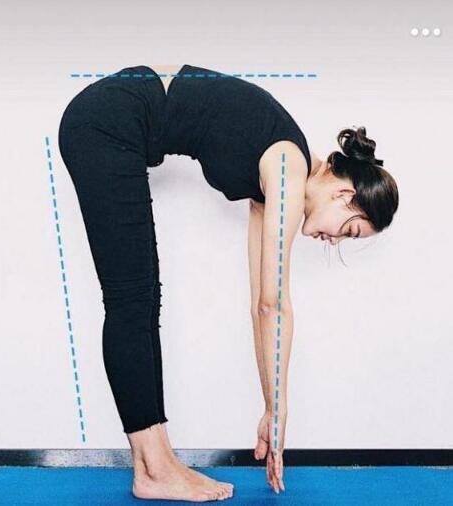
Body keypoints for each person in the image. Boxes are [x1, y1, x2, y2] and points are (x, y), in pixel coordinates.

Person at [58, 63, 399, 502]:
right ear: (344, 195)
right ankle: (154, 469)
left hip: (112, 123)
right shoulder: (287, 165)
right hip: (106, 122)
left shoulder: (274, 178)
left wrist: (270, 407)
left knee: (140, 300)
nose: (334, 241)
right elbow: (274, 305)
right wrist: (280, 410)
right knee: (132, 299)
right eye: (349, 230)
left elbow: (262, 302)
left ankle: (155, 464)